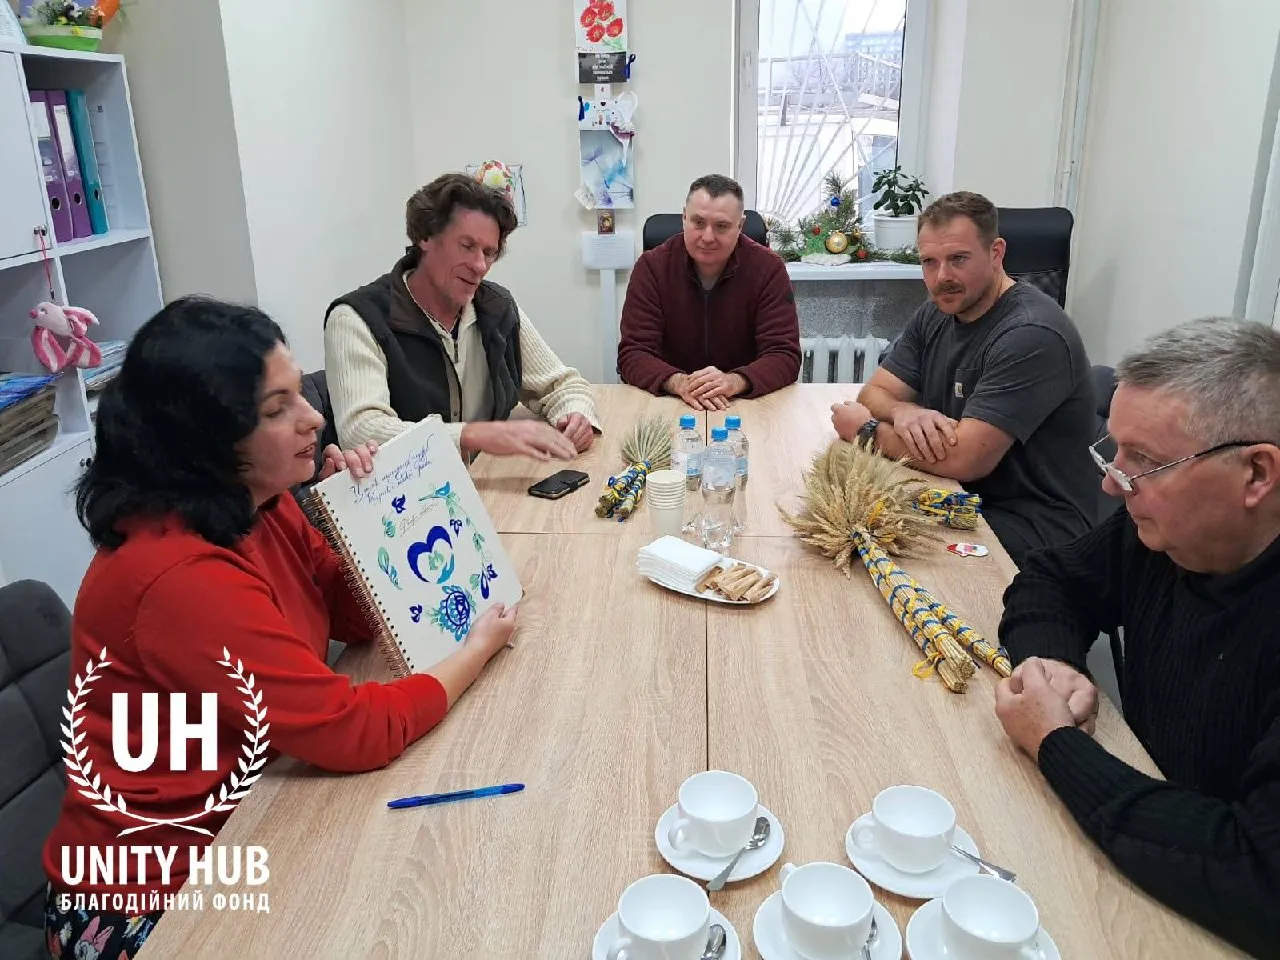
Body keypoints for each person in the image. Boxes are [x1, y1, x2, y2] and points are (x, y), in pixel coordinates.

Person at [42, 297, 518, 959]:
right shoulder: (177, 574)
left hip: (255, 806)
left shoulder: (256, 503)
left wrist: (361, 517)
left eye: (298, 393)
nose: (313, 417)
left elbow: (353, 616)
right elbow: (352, 730)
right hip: (149, 894)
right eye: (276, 409)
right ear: (207, 438)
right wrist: (474, 651)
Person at [993, 318, 1280, 958]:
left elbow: (1258, 878)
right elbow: (1053, 578)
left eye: (1145, 461)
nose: (1111, 483)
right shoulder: (1162, 531)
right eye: (1115, 451)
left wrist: (1056, 743)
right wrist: (1052, 663)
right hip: (1141, 836)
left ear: (1256, 474)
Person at [832, 191, 1097, 566]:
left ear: (996, 253)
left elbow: (965, 459)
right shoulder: (938, 311)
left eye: (958, 259)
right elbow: (875, 392)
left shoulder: (1031, 334)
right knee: (843, 523)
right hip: (962, 496)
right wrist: (903, 410)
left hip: (1033, 527)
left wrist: (867, 430)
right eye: (929, 262)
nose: (942, 277)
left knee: (868, 552)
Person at [325, 173, 600, 462]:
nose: (480, 265)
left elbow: (563, 385)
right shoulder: (355, 319)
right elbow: (361, 432)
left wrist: (575, 415)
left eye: (489, 253)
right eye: (467, 246)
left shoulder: (497, 307)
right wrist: (473, 435)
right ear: (425, 237)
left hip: (484, 479)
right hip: (411, 489)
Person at [617, 174, 801, 409]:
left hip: (742, 403)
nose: (707, 237)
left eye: (721, 226)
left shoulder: (768, 269)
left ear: (740, 226)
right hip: (669, 402)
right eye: (698, 222)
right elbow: (633, 354)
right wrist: (680, 383)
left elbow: (784, 355)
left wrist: (734, 381)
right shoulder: (652, 267)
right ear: (684, 218)